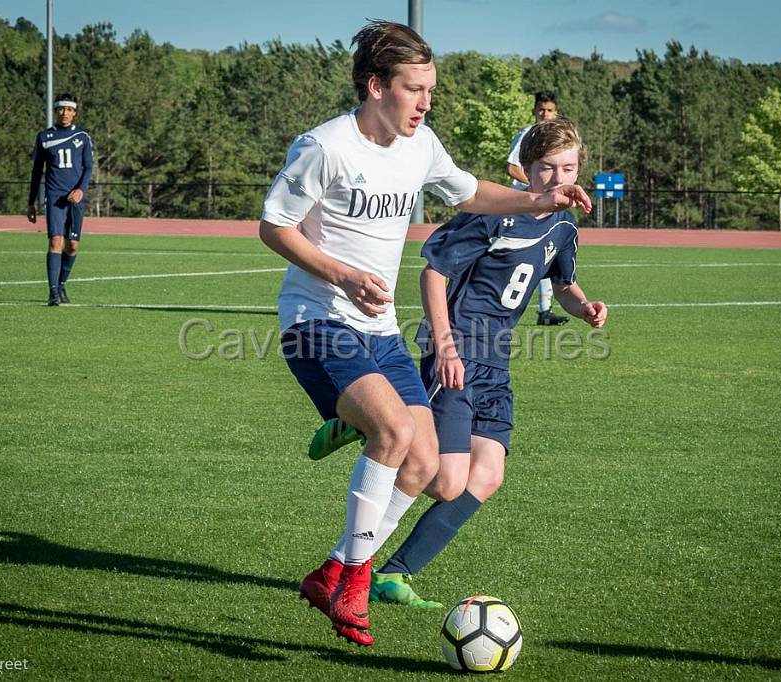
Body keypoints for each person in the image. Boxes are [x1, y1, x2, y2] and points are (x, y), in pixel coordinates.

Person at [260, 21, 590, 647]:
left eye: (430, 89)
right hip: (317, 320)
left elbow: (473, 193)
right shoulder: (324, 146)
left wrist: (542, 202)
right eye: (415, 89)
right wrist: (341, 273)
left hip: (379, 329)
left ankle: (329, 571)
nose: (426, 102)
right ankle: (354, 583)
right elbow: (274, 225)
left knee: (426, 462)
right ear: (376, 85)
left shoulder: (422, 146)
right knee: (391, 430)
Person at [311, 117, 607, 610]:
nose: (558, 179)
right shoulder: (493, 214)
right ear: (525, 170)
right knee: (446, 481)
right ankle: (369, 424)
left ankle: (393, 573)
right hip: (459, 353)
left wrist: (585, 307)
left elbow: (560, 285)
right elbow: (434, 274)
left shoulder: (565, 222)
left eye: (569, 168)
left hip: (497, 362)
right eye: (547, 169)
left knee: (486, 477)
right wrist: (445, 345)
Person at [507, 91, 569, 326]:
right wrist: (534, 187)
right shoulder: (527, 135)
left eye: (549, 110)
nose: (545, 114)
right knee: (519, 256)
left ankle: (545, 311)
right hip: (525, 205)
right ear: (535, 111)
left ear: (556, 113)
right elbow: (512, 167)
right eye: (541, 110)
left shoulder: (557, 140)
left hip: (546, 205)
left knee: (546, 253)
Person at [27, 92, 94, 306]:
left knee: (72, 245)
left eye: (69, 109)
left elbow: (88, 167)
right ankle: (53, 292)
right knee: (56, 241)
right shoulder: (44, 137)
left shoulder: (83, 136)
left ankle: (62, 283)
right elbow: (37, 172)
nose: (64, 113)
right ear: (56, 111)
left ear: (74, 113)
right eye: (61, 109)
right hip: (54, 196)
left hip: (76, 198)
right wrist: (31, 202)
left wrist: (81, 190)